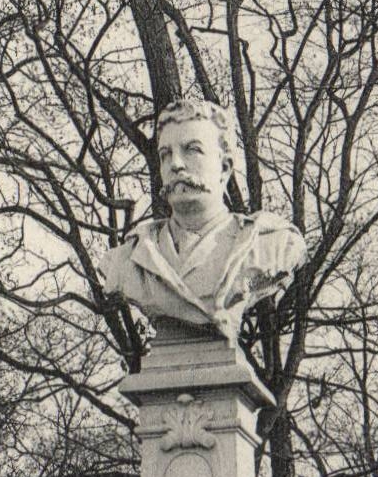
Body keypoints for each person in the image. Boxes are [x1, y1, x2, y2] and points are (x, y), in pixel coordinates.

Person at [98, 100, 306, 340]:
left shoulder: (272, 245)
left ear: (225, 167)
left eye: (192, 149)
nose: (175, 164)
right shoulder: (126, 260)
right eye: (165, 154)